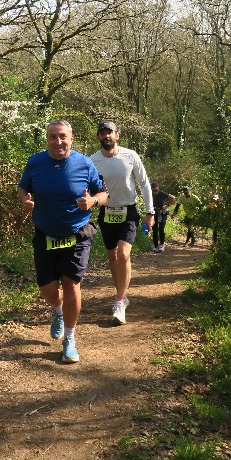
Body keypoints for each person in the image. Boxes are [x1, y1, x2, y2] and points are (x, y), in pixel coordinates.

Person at [18, 119, 108, 364]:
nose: (58, 142)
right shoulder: (35, 162)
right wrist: (25, 200)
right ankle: (58, 310)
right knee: (47, 291)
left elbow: (103, 193)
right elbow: (22, 188)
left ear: (71, 138)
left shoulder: (84, 163)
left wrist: (93, 201)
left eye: (62, 137)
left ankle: (70, 338)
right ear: (47, 139)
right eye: (53, 137)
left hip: (77, 234)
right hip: (45, 233)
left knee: (71, 285)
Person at [90, 120, 155, 326]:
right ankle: (122, 294)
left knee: (123, 254)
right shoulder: (92, 161)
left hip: (128, 211)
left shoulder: (130, 155)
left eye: (109, 132)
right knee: (112, 257)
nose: (106, 136)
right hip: (106, 212)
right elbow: (87, 187)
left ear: (117, 135)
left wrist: (150, 212)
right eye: (102, 133)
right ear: (98, 137)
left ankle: (119, 301)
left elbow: (144, 183)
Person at [151, 182, 176, 253]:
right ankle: (156, 246)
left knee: (161, 228)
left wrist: (167, 205)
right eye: (153, 190)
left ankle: (162, 244)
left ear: (158, 189)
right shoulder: (149, 194)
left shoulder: (162, 194)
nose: (155, 192)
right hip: (154, 212)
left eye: (156, 190)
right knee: (154, 229)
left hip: (162, 213)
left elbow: (173, 198)